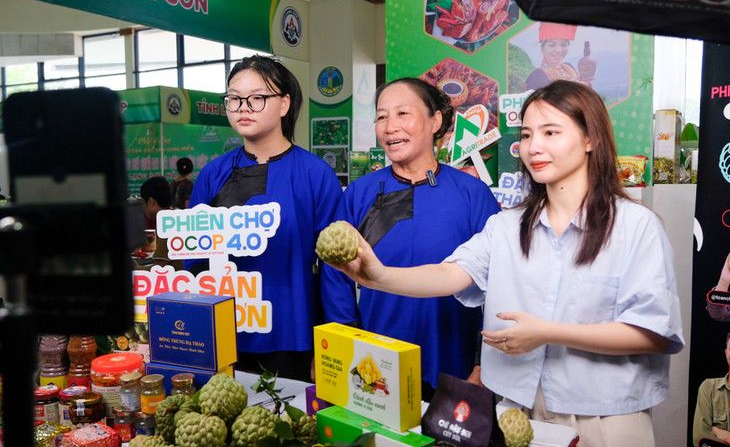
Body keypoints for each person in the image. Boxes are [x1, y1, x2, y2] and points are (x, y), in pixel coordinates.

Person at [324, 80, 684, 446]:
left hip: (605, 415)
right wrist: (378, 275)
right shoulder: (507, 226)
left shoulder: (636, 226)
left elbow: (653, 332)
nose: (534, 147)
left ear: (591, 138)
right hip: (515, 412)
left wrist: (547, 332)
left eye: (550, 132)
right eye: (526, 135)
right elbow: (450, 273)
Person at [321, 77, 500, 401]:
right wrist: (343, 343)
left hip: (455, 363)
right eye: (381, 116)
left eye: (403, 113)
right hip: (376, 364)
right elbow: (336, 275)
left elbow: (498, 284)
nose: (390, 127)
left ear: (436, 121)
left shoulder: (472, 193)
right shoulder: (361, 193)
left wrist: (483, 362)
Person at [186, 55, 342, 382]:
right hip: (224, 334)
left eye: (257, 98)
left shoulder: (316, 175)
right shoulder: (213, 174)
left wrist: (334, 345)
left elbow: (335, 269)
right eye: (234, 98)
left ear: (284, 104)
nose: (243, 107)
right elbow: (193, 258)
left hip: (292, 335)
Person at [524, 22, 595, 91]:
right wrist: (572, 86)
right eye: (552, 45)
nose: (558, 50)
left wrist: (585, 83)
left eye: (563, 45)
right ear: (542, 48)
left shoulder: (569, 67)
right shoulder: (535, 77)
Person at [137, 176, 182, 270]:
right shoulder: (175, 216)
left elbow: (159, 268)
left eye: (143, 203)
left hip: (177, 280)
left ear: (151, 202)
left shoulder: (166, 223)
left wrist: (136, 267)